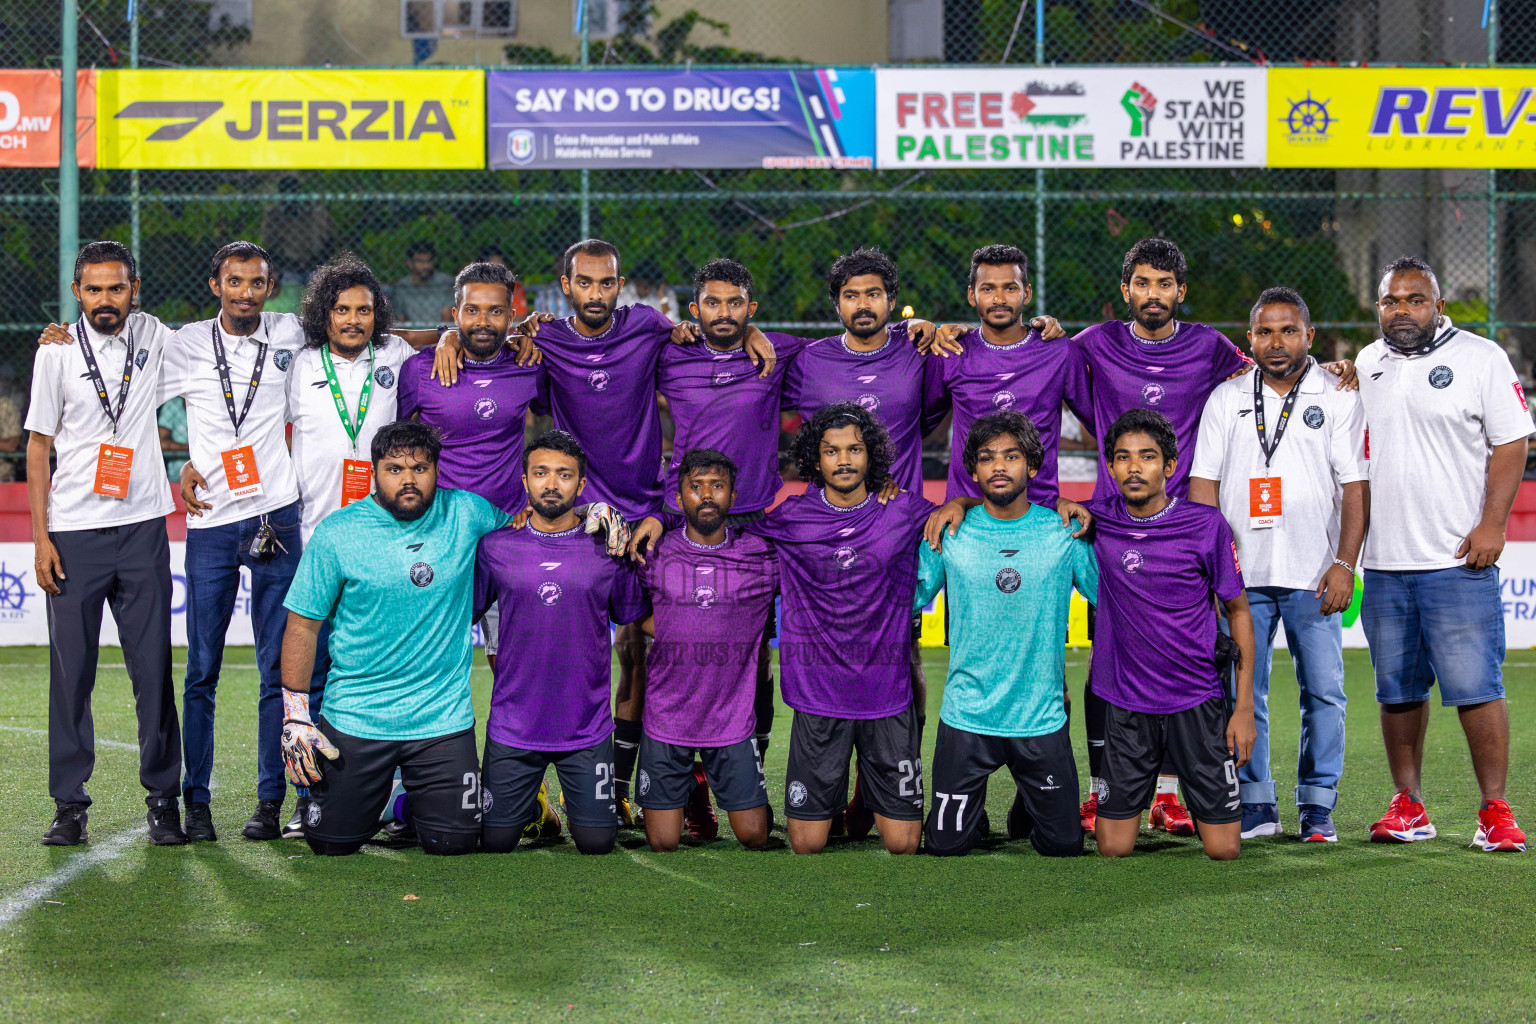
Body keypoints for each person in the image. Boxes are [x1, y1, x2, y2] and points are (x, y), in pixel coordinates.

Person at [450, 238, 773, 827]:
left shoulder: (649, 326)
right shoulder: (541, 340)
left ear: (619, 286)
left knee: (656, 648)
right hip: (583, 517)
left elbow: (711, 331)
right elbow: (494, 343)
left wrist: (756, 332)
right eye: (585, 283)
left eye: (606, 283)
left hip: (650, 510)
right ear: (565, 285)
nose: (595, 294)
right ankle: (579, 781)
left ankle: (669, 782)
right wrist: (452, 336)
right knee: (564, 646)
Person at [1069, 237, 1250, 838]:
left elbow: (1266, 379)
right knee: (1110, 659)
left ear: (1181, 291)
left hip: (1181, 524)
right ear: (1126, 290)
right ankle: (1108, 788)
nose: (1153, 294)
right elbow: (1046, 364)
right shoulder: (1095, 343)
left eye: (1165, 284)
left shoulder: (1209, 346)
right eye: (1142, 283)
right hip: (1109, 525)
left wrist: (1331, 372)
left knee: (1184, 651)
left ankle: (1171, 793)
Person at [1355, 256, 1532, 852]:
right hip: (1384, 561)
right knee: (1397, 691)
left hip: (1458, 559)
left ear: (1437, 305)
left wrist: (1492, 524)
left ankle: (1495, 810)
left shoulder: (1480, 358)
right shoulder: (1368, 363)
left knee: (1476, 688)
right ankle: (1409, 805)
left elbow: (1512, 441)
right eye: (1390, 301)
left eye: (1413, 299)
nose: (1400, 310)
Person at [278, 420, 507, 856]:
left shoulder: (468, 513)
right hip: (356, 717)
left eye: (420, 468)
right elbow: (302, 626)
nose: (408, 479)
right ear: (374, 471)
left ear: (437, 471)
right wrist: (295, 716)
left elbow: (527, 535)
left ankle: (403, 806)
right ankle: (389, 803)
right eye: (394, 468)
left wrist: (587, 515)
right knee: (329, 844)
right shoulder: (338, 532)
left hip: (441, 720)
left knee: (455, 844)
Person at [1190, 287, 1367, 843]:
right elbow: (1203, 489)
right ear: (1250, 339)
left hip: (1316, 574)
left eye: (1288, 330)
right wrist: (1212, 568)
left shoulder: (1338, 394)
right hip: (1242, 578)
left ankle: (1317, 805)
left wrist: (1344, 562)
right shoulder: (1226, 398)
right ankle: (1257, 801)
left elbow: (1356, 488)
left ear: (1309, 336)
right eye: (1265, 332)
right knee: (1247, 691)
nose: (1276, 342)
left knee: (1324, 691)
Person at [24, 241, 185, 846]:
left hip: (144, 527)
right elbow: (38, 449)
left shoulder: (157, 337)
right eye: (93, 290)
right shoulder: (55, 354)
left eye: (116, 288)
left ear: (134, 290)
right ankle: (69, 806)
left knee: (153, 670)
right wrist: (40, 538)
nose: (105, 300)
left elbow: (221, 351)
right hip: (72, 531)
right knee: (72, 677)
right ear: (77, 293)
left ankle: (163, 799)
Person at [399, 260, 561, 841]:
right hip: (437, 545)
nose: (484, 321)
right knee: (423, 664)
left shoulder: (530, 367)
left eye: (497, 310)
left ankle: (531, 797)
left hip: (506, 545)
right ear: (454, 313)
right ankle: (411, 792)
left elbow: (556, 437)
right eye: (472, 310)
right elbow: (399, 455)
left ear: (513, 313)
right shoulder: (421, 371)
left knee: (511, 669)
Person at [748, 402, 936, 856]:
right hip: (818, 696)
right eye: (832, 451)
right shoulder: (790, 518)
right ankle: (847, 800)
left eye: (855, 449)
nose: (845, 460)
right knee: (807, 844)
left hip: (886, 695)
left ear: (871, 455)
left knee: (904, 845)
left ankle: (867, 797)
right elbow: (724, 529)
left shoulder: (906, 511)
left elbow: (962, 513)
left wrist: (963, 502)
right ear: (816, 459)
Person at [915, 412, 1095, 858]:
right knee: (945, 846)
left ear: (1031, 467)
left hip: (1040, 717)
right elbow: (908, 597)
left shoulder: (1064, 531)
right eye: (987, 458)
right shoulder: (948, 531)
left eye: (1011, 456)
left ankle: (1027, 805)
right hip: (967, 715)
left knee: (1063, 846)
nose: (998, 466)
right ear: (973, 471)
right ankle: (973, 814)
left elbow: (1109, 595)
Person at [1087, 409, 1256, 861]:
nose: (1134, 467)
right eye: (1123, 458)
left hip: (1197, 702)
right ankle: (1146, 803)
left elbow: (1238, 613)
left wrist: (1243, 709)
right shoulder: (1095, 521)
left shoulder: (1205, 526)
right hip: (1127, 704)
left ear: (1170, 466)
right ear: (1110, 468)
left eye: (1147, 456)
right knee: (1113, 847)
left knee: (1223, 850)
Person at [475, 430, 649, 856]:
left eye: (564, 475)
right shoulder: (496, 546)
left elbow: (638, 618)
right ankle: (542, 812)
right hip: (514, 727)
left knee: (596, 843)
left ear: (581, 485)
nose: (551, 484)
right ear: (525, 481)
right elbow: (460, 612)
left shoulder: (607, 547)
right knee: (495, 842)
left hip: (585, 728)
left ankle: (569, 807)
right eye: (541, 473)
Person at [634, 449, 775, 851]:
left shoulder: (761, 555)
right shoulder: (654, 551)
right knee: (663, 842)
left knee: (753, 836)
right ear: (679, 500)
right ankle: (694, 784)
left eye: (717, 486)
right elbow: (631, 609)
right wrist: (678, 626)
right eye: (695, 487)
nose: (707, 495)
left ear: (733, 496)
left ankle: (704, 779)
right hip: (667, 715)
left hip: (730, 716)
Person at [933, 245, 1094, 509]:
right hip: (966, 514)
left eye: (1010, 288)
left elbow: (1098, 422)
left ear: (1026, 293)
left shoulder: (1058, 351)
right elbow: (919, 425)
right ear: (972, 295)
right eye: (988, 289)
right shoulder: (952, 351)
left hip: (1039, 510)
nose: (999, 299)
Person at [391, 240, 455, 326]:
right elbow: (400, 322)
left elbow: (446, 320)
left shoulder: (445, 283)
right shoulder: (402, 287)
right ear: (410, 264)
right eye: (420, 261)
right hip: (411, 335)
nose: (425, 266)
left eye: (428, 261)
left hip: (439, 334)